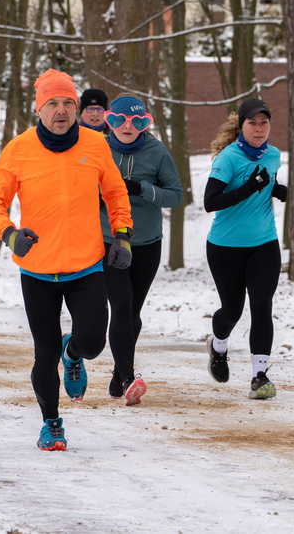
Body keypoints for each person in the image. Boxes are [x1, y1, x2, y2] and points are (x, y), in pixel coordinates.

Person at [0, 69, 133, 451]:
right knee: (43, 354)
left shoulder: (97, 145)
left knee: (94, 342)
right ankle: (51, 423)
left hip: (86, 265)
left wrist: (123, 236)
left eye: (68, 103)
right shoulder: (19, 149)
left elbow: (115, 193)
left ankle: (75, 353)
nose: (61, 110)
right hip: (37, 270)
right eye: (52, 103)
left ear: (77, 107)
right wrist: (9, 233)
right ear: (39, 108)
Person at [99, 94, 183, 405]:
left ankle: (119, 370)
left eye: (136, 122)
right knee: (121, 305)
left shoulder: (157, 151)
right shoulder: (98, 148)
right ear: (110, 121)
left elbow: (176, 196)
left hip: (147, 241)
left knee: (132, 312)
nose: (127, 127)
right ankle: (127, 376)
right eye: (120, 121)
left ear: (145, 123)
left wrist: (142, 189)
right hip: (109, 239)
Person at [203, 98, 288, 400]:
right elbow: (210, 202)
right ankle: (218, 344)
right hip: (225, 247)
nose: (259, 128)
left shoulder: (274, 155)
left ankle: (259, 376)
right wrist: (249, 188)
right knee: (232, 311)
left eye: (264, 122)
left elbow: (268, 182)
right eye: (252, 122)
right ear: (241, 125)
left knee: (262, 305)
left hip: (264, 243)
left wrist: (276, 190)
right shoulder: (228, 159)